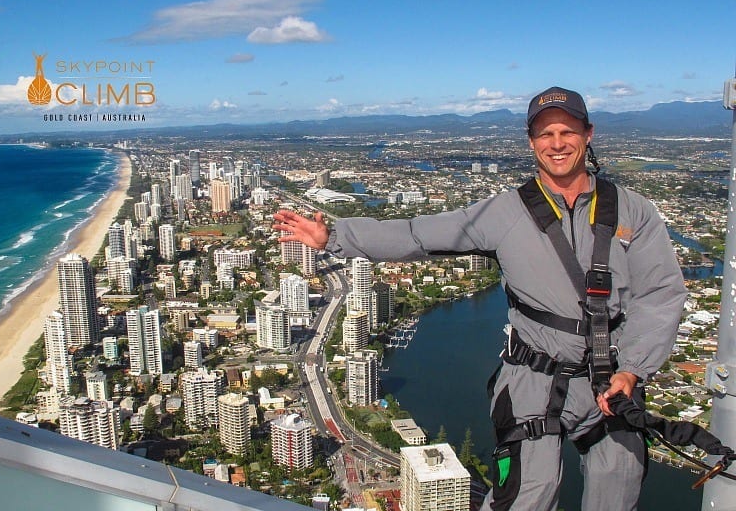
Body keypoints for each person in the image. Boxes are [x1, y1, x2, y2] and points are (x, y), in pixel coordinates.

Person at [273, 86, 687, 511]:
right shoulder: (506, 213)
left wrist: (634, 370)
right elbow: (419, 234)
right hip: (534, 377)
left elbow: (661, 293)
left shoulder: (631, 211)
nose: (557, 143)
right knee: (527, 493)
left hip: (611, 377)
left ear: (588, 134)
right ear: (532, 142)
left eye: (567, 131)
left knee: (618, 487)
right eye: (546, 135)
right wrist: (335, 236)